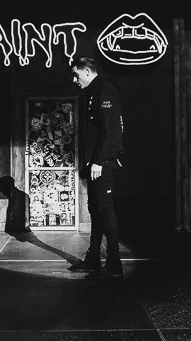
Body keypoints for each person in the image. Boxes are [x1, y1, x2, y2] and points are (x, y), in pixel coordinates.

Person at [68, 56, 124, 279]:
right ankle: (93, 257)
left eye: (77, 74)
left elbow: (109, 131)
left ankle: (114, 262)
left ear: (88, 72)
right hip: (95, 163)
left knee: (105, 209)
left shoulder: (105, 91)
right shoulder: (92, 93)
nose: (74, 79)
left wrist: (99, 161)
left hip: (104, 163)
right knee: (95, 209)